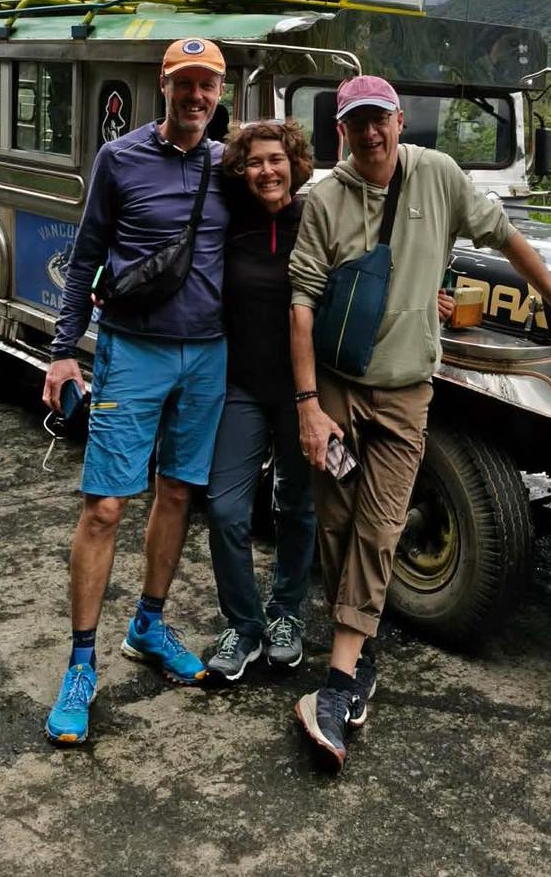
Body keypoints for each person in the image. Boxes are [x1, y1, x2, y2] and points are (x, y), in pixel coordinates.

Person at [287, 74, 551, 772]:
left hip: (406, 394)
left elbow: (506, 239)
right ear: (340, 131)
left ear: (400, 122)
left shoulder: (439, 177)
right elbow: (303, 304)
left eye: (380, 120)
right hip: (340, 390)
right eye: (356, 124)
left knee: (380, 525)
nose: (370, 134)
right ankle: (359, 643)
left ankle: (339, 680)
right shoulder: (325, 201)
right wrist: (309, 407)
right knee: (338, 522)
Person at [41, 37, 230, 746]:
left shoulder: (228, 162)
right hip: (132, 352)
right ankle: (81, 665)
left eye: (206, 84)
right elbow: (86, 255)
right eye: (184, 84)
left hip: (209, 355)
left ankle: (149, 625)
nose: (195, 96)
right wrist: (64, 354)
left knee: (178, 492)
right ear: (164, 86)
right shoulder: (119, 159)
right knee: (106, 506)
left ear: (219, 91)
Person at [203, 120, 317, 682]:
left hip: (303, 394)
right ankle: (244, 624)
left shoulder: (316, 220)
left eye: (276, 159)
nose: (267, 170)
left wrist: (430, 297)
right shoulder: (232, 221)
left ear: (295, 162)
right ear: (240, 171)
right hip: (240, 386)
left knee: (296, 505)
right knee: (226, 509)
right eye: (254, 162)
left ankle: (288, 614)